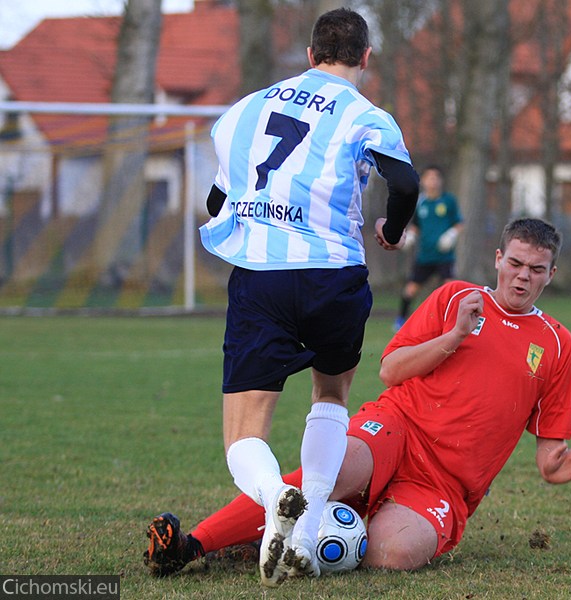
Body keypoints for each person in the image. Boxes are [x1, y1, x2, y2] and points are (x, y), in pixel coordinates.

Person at [145, 218, 571, 578]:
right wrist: (456, 334)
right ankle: (191, 545)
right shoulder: (456, 297)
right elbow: (390, 370)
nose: (523, 277)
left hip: (446, 483)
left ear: (551, 274)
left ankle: (277, 540)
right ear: (499, 259)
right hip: (397, 427)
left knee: (391, 553)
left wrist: (556, 467)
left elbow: (548, 450)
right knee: (333, 473)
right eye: (516, 263)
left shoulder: (558, 344)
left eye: (536, 270)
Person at [194, 8, 418, 587]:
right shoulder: (365, 115)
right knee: (331, 395)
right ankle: (310, 521)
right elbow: (406, 182)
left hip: (263, 274)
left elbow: (218, 200)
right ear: (366, 58)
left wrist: (239, 218)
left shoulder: (245, 109)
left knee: (244, 433)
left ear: (309, 53)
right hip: (333, 276)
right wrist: (391, 232)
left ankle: (275, 499)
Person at [394, 165, 463, 330]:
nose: (433, 181)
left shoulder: (448, 201)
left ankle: (453, 323)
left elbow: (459, 223)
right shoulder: (420, 202)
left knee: (451, 289)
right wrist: (410, 237)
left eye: (436, 178)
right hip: (425, 256)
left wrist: (451, 235)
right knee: (410, 290)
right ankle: (400, 321)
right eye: (429, 178)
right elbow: (416, 226)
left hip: (444, 257)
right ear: (423, 181)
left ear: (441, 181)